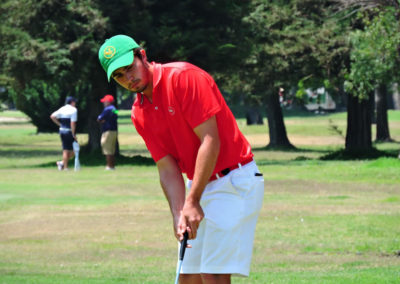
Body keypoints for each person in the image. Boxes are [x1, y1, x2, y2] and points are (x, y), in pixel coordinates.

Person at [98, 35, 264, 284]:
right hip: (197, 187)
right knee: (188, 277)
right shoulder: (139, 113)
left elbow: (210, 140)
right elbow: (167, 167)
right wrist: (178, 213)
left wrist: (193, 200)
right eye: (119, 76)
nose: (128, 78)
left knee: (213, 273)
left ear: (142, 56)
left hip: (232, 181)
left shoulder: (184, 78)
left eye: (130, 68)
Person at [50, 96, 78, 171]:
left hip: (62, 130)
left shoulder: (62, 108)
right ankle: (65, 167)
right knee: (68, 150)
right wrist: (73, 134)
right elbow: (72, 123)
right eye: (74, 102)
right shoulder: (74, 110)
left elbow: (52, 116)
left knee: (72, 150)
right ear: (72, 102)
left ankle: (62, 163)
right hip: (68, 131)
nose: (75, 103)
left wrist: (59, 124)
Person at [97, 94, 118, 170]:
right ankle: (112, 166)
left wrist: (102, 120)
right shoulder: (114, 109)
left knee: (107, 149)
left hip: (108, 131)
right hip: (114, 131)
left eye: (105, 101)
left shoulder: (107, 109)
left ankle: (109, 166)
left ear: (108, 102)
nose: (104, 103)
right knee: (112, 150)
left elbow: (99, 118)